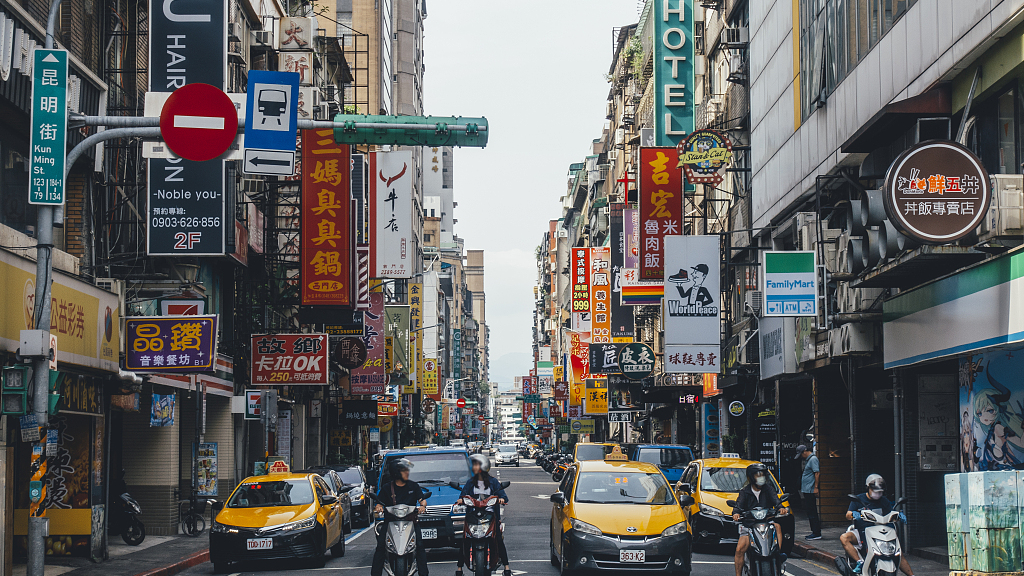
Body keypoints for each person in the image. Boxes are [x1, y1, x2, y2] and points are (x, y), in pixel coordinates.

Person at [840, 475, 914, 576]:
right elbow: (848, 515)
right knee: (844, 538)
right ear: (868, 488)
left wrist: (898, 515)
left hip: (882, 531)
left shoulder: (884, 501)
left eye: (880, 492)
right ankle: (859, 562)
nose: (878, 494)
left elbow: (890, 513)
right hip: (862, 531)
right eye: (875, 491)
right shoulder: (858, 499)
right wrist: (854, 514)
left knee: (896, 552)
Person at [455, 454, 511, 576]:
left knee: (498, 539)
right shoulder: (470, 483)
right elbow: (462, 495)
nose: (474, 467)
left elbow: (503, 496)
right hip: (473, 516)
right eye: (473, 464)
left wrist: (501, 499)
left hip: (490, 516)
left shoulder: (493, 482)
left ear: (483, 466)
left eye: (476, 464)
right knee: (465, 538)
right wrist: (461, 500)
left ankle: (506, 567)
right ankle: (459, 568)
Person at [371, 458, 428, 576]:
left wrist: (422, 506)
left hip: (411, 522)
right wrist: (379, 507)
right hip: (391, 522)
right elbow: (379, 503)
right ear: (396, 473)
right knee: (380, 547)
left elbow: (422, 500)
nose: (407, 472)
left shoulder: (413, 486)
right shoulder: (387, 488)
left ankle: (424, 573)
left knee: (420, 547)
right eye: (404, 470)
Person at [732, 463, 786, 576]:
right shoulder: (745, 492)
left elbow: (776, 501)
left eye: (763, 475)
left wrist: (780, 508)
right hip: (749, 525)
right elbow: (738, 505)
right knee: (739, 549)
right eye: (758, 475)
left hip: (767, 522)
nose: (761, 478)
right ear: (752, 477)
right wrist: (736, 513)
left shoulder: (768, 489)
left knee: (778, 526)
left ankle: (778, 554)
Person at [797, 445, 821, 539]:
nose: (802, 457)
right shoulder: (809, 460)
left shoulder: (813, 459)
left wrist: (815, 487)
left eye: (801, 454)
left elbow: (817, 473)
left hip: (810, 490)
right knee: (810, 511)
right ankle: (814, 531)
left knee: (812, 511)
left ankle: (816, 533)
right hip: (807, 490)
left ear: (805, 451)